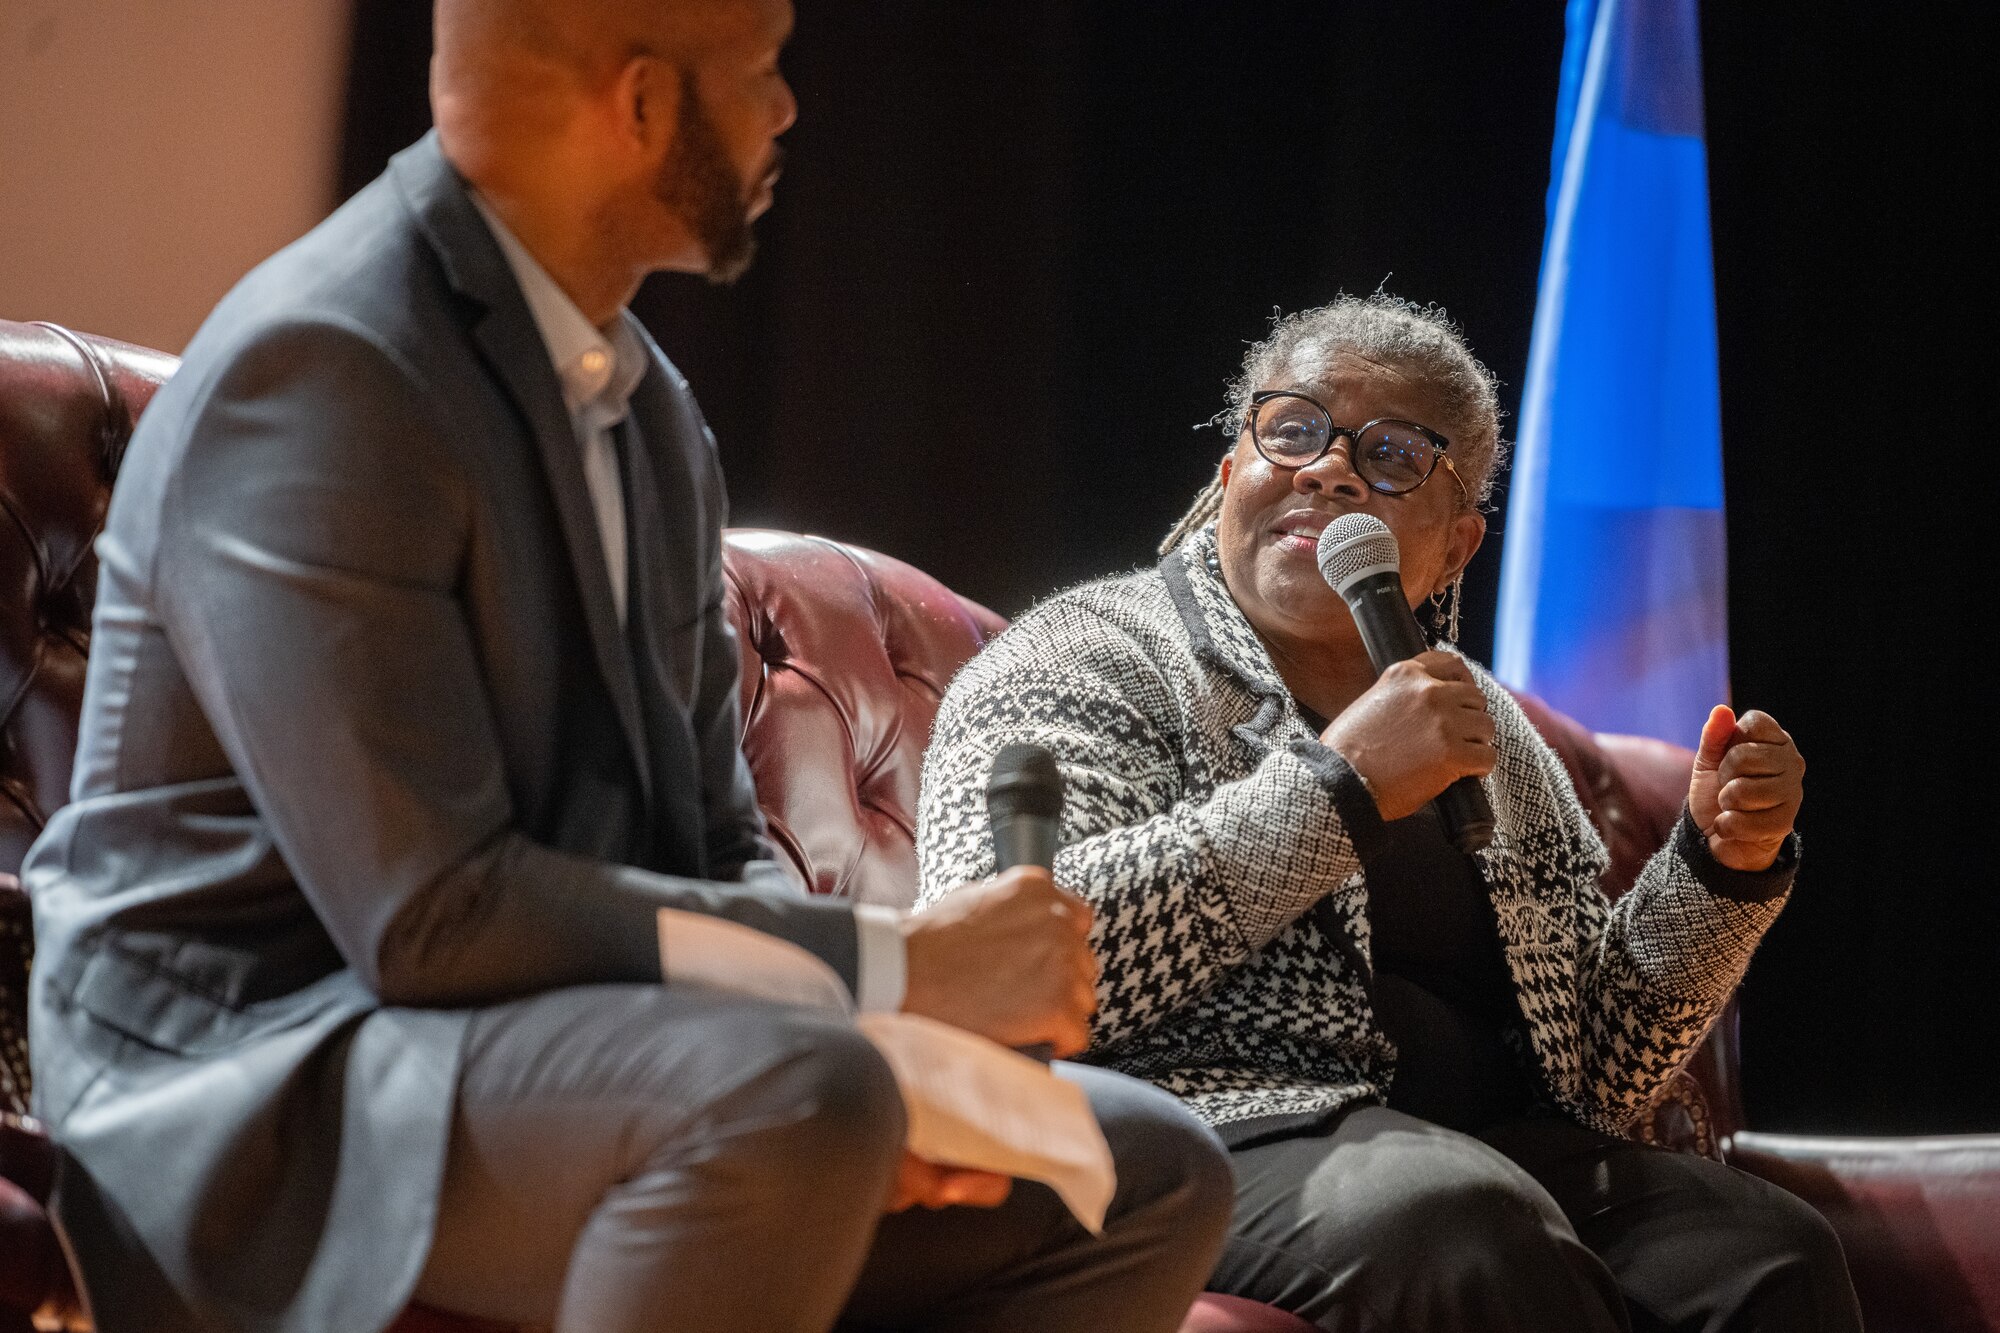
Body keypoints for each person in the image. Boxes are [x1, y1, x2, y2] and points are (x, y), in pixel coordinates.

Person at [22, 2, 1235, 1330]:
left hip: (535, 1036)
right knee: (799, 1095)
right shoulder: (327, 368)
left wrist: (878, 1033)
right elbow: (428, 920)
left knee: (1143, 1169)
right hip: (258, 1078)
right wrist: (887, 972)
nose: (786, 111)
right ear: (643, 105)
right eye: (763, 70)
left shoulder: (647, 408)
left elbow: (710, 835)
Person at [916, 295, 1863, 1331]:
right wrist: (1338, 789)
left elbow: (1600, 1063)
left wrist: (1719, 865)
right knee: (1456, 1225)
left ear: (1454, 546)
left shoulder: (1477, 720)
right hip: (1198, 1122)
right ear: (1230, 471)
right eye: (1291, 430)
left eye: (1390, 454)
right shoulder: (1087, 655)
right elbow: (1006, 959)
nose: (1326, 470)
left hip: (1471, 1146)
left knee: (1759, 1249)